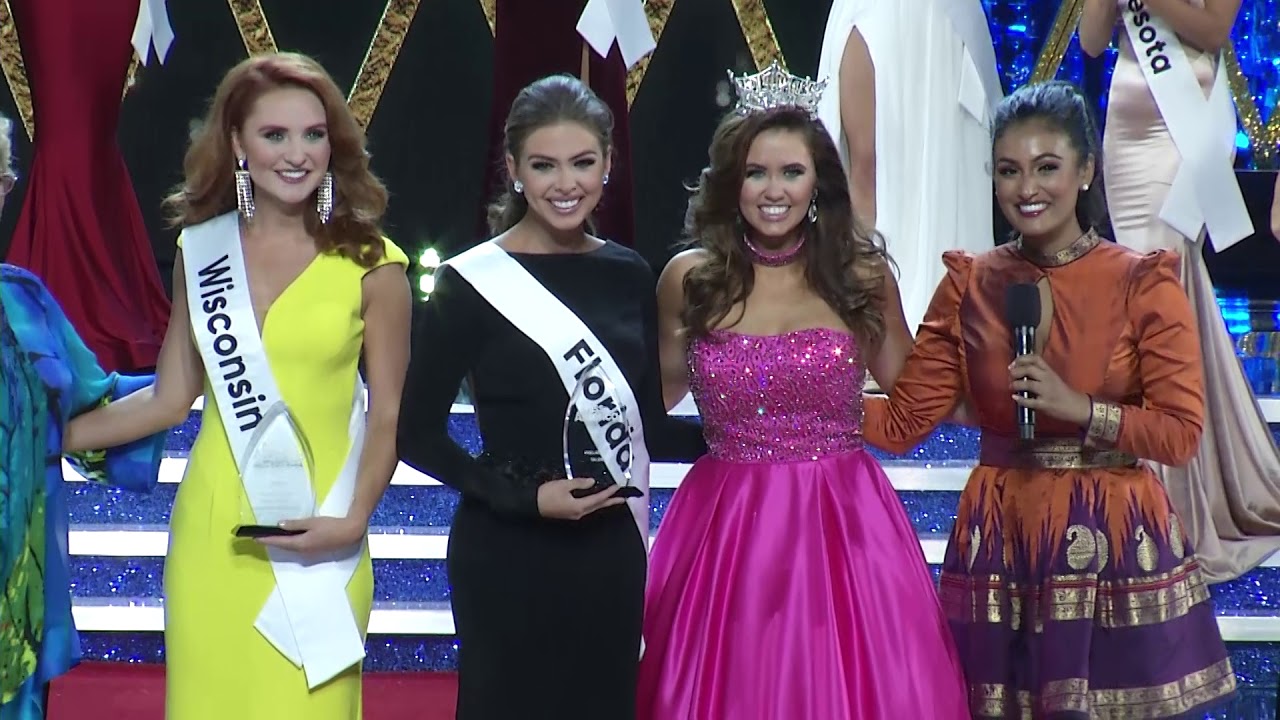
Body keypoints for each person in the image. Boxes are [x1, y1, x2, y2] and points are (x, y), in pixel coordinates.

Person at [863, 80, 1235, 717]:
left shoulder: (1140, 279)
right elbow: (902, 423)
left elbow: (1180, 434)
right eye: (1009, 170)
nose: (1026, 188)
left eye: (1046, 167)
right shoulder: (971, 282)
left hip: (1107, 535)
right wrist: (793, 393)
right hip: (1001, 535)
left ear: (1086, 170)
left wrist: (1081, 408)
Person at [63, 53, 411, 717]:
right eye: (274, 135)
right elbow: (170, 397)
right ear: (237, 145)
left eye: (313, 134)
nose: (297, 153)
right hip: (215, 536)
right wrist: (53, 432)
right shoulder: (201, 252)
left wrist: (352, 521)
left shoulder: (374, 265)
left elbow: (391, 414)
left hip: (321, 539)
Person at [636, 64, 969, 720]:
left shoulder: (858, 275)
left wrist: (974, 316)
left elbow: (913, 395)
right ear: (733, 184)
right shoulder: (690, 279)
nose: (773, 191)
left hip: (845, 524)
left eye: (791, 172)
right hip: (725, 529)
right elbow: (648, 401)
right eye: (757, 173)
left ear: (819, 184)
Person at [397, 74, 703, 719]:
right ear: (513, 169)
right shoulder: (470, 282)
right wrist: (522, 496)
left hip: (607, 551)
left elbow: (646, 424)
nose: (566, 184)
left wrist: (754, 441)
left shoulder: (627, 274)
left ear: (609, 164)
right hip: (506, 547)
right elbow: (416, 435)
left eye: (582, 163)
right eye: (544, 165)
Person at [1079, 0, 1280, 583]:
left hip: (1184, 120)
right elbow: (1093, 41)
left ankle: (1170, 500)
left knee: (1159, 294)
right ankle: (1181, 472)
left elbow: (1214, 28)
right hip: (1128, 121)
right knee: (1154, 296)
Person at [0, 111, 164, 720]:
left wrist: (207, 356)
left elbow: (99, 409)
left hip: (17, 604)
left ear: (5, 188)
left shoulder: (26, 300)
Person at [815, 0, 1003, 335]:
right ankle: (871, 317)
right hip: (868, 8)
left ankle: (945, 321)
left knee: (946, 164)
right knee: (863, 161)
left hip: (940, 14)